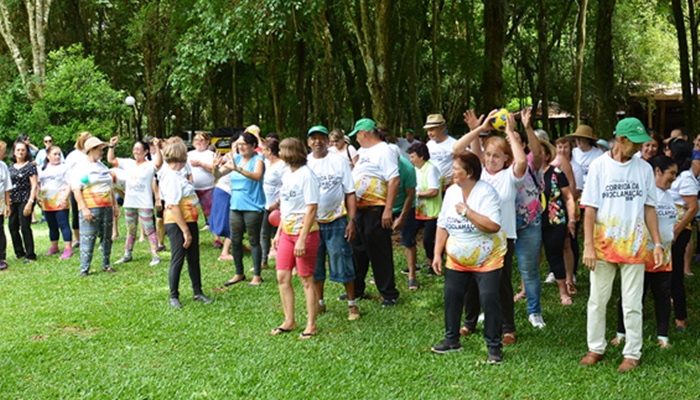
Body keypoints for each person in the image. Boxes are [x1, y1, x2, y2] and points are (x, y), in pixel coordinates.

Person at [579, 117, 663, 373]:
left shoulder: (644, 169)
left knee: (632, 302)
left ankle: (632, 353)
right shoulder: (598, 166)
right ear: (621, 140)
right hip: (603, 245)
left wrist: (657, 243)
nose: (638, 149)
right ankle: (596, 348)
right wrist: (588, 246)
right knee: (597, 299)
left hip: (635, 246)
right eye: (634, 143)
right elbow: (590, 209)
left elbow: (649, 209)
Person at [455, 110, 526, 345]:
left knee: (501, 284)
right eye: (488, 155)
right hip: (475, 235)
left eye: (497, 156)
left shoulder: (510, 176)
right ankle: (469, 323)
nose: (490, 160)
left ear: (506, 159)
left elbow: (523, 161)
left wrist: (510, 133)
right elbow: (460, 151)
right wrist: (479, 128)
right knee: (471, 283)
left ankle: (508, 328)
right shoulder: (479, 175)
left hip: (503, 238)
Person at [430, 151, 506, 364]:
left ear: (469, 172)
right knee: (452, 297)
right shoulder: (451, 192)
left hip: (488, 257)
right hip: (456, 259)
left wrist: (467, 212)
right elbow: (443, 224)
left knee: (489, 298)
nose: (452, 172)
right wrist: (437, 253)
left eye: (456, 169)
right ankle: (451, 340)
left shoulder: (487, 193)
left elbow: (493, 226)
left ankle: (493, 347)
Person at [611, 155, 677, 349]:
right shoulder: (643, 193)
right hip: (640, 254)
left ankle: (663, 337)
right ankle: (621, 334)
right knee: (631, 296)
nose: (674, 177)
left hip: (664, 257)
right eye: (671, 173)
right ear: (657, 171)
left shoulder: (670, 195)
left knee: (662, 297)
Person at [306, 126, 360, 320]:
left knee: (343, 260)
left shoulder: (338, 161)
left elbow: (350, 192)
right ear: (308, 142)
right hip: (312, 223)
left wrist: (351, 220)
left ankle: (352, 305)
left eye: (321, 138)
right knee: (315, 264)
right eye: (313, 138)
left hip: (337, 220)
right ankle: (319, 302)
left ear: (328, 141)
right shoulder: (305, 163)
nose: (317, 141)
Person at [270, 137, 321, 338]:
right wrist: (279, 232)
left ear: (290, 153)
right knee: (282, 276)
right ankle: (289, 320)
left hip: (304, 233)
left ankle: (311, 325)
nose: (279, 154)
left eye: (281, 150)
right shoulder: (287, 174)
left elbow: (312, 208)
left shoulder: (307, 176)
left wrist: (301, 238)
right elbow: (286, 207)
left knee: (306, 279)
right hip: (287, 233)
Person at [347, 118, 400, 306]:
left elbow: (394, 179)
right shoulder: (363, 151)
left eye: (357, 136)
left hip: (375, 208)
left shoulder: (384, 150)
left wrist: (388, 209)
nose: (357, 140)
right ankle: (357, 289)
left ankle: (388, 293)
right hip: (359, 209)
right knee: (357, 250)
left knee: (379, 250)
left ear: (364, 133)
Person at [159, 141, 212, 308]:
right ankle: (174, 295)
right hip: (177, 223)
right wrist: (185, 231)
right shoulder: (171, 176)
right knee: (178, 257)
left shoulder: (178, 173)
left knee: (193, 257)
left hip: (190, 219)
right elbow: (173, 206)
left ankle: (198, 291)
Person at [219, 132, 265, 287]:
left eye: (244, 144)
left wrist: (237, 169)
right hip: (236, 206)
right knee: (236, 240)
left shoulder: (258, 160)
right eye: (238, 144)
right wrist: (214, 167)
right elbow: (218, 175)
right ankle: (239, 273)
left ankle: (257, 275)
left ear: (253, 146)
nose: (241, 147)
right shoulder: (235, 159)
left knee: (253, 240)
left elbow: (257, 176)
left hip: (253, 207)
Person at [107, 136, 162, 267]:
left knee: (149, 229)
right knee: (131, 230)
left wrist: (158, 147)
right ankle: (127, 254)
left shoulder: (149, 166)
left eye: (138, 149)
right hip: (130, 202)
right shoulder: (128, 163)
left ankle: (155, 254)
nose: (135, 151)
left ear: (146, 152)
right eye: (134, 149)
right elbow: (111, 160)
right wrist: (111, 146)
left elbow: (159, 163)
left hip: (144, 202)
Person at [72, 137, 119, 277]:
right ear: (91, 150)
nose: (102, 152)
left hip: (106, 207)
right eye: (100, 149)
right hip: (91, 207)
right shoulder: (80, 167)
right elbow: (76, 189)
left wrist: (115, 206)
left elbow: (110, 187)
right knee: (88, 237)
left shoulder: (102, 166)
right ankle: (84, 269)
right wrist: (84, 208)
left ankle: (106, 264)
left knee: (106, 236)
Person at [664, 138, 696, 333]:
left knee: (675, 275)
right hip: (665, 229)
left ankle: (681, 318)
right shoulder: (675, 174)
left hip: (679, 231)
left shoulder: (685, 178)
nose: (665, 151)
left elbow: (693, 208)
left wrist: (676, 230)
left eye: (668, 149)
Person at [540, 139, 576, 305]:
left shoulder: (556, 173)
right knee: (531, 256)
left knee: (554, 254)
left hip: (555, 220)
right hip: (533, 221)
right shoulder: (528, 173)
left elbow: (568, 197)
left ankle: (563, 290)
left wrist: (571, 219)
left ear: (547, 155)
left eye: (541, 152)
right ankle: (525, 289)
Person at [402, 142, 441, 288]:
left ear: (422, 156)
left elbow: (433, 191)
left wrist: (415, 194)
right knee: (409, 237)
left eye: (413, 157)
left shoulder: (430, 169)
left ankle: (432, 264)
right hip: (418, 211)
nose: (411, 160)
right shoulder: (416, 170)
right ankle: (414, 265)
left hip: (432, 212)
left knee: (428, 240)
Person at [37, 146, 73, 259]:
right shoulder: (42, 168)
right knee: (52, 225)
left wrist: (65, 198)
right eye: (54, 154)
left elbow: (70, 184)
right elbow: (38, 184)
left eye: (59, 154)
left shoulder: (64, 167)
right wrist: (37, 197)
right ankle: (54, 246)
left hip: (60, 201)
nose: (57, 156)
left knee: (63, 224)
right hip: (47, 202)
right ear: (48, 156)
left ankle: (68, 248)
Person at [8, 140, 38, 263]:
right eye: (18, 150)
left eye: (23, 150)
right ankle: (19, 252)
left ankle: (30, 255)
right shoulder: (10, 167)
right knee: (12, 227)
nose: (20, 152)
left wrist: (30, 202)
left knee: (25, 226)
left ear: (27, 152)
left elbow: (34, 185)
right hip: (13, 200)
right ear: (14, 152)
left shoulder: (30, 166)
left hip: (26, 198)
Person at [187, 132, 217, 244]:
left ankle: (217, 238)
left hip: (207, 188)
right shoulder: (189, 154)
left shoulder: (211, 154)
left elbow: (214, 169)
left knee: (211, 213)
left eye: (202, 140)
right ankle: (190, 237)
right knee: (190, 213)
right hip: (192, 189)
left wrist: (200, 164)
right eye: (196, 140)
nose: (198, 142)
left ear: (207, 142)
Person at [65, 132, 93, 248]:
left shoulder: (91, 153)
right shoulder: (73, 156)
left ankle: (91, 235)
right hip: (76, 187)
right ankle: (78, 238)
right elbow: (67, 171)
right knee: (77, 212)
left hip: (90, 187)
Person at [261, 137, 285, 269]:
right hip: (267, 205)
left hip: (280, 206)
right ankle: (263, 261)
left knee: (281, 234)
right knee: (264, 233)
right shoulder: (265, 163)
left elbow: (287, 185)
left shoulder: (282, 165)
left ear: (270, 151)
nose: (263, 152)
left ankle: (283, 262)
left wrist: (278, 201)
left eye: (264, 150)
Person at [425, 114, 457, 188]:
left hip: (448, 187)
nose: (429, 133)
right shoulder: (429, 145)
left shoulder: (454, 144)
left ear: (441, 128)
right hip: (431, 186)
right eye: (428, 130)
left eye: (432, 130)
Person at [568, 125, 603, 191]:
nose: (578, 140)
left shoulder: (598, 154)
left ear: (588, 140)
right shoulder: (573, 152)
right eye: (576, 138)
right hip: (575, 188)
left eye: (581, 138)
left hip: (592, 188)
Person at [0, 142, 13, 270]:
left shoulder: (3, 166)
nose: (4, 154)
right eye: (3, 151)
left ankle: (1, 258)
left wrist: (8, 205)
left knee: (0, 230)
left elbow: (7, 187)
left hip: (0, 204)